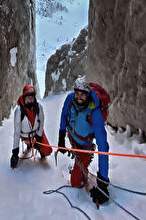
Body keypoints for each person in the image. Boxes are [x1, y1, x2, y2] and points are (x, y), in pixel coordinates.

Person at [57, 76, 110, 205]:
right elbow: (64, 115)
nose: (79, 97)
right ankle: (78, 162)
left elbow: (103, 147)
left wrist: (103, 183)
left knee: (75, 183)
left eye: (82, 94)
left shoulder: (95, 112)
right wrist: (61, 136)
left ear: (88, 95)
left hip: (85, 145)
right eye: (77, 93)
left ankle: (82, 163)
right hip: (72, 137)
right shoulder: (70, 99)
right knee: (77, 165)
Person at [10, 84, 52, 168]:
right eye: (28, 97)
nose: (30, 100)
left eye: (32, 97)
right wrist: (15, 152)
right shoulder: (19, 111)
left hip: (36, 133)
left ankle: (37, 146)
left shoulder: (38, 107)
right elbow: (17, 132)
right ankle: (30, 144)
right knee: (29, 142)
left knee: (47, 150)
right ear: (24, 97)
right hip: (25, 135)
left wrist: (39, 135)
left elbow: (42, 120)